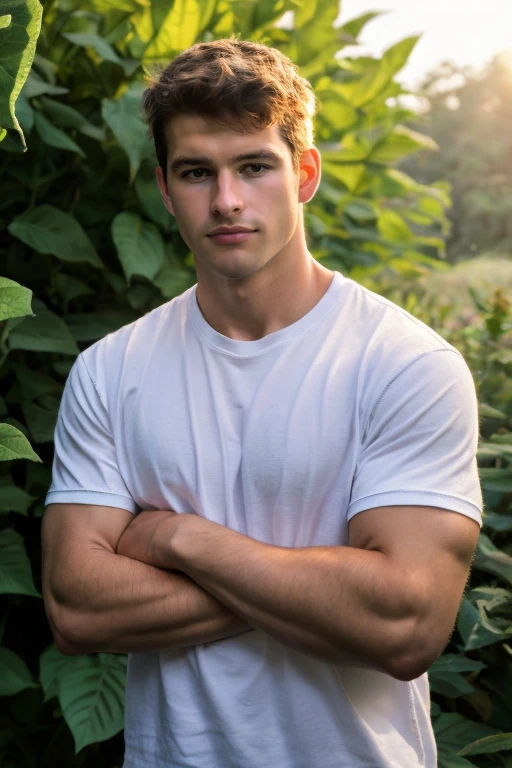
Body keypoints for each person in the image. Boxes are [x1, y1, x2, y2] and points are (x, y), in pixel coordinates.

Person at [42, 38, 482, 768]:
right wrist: (328, 587)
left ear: (304, 173)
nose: (226, 201)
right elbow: (77, 607)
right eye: (195, 173)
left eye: (254, 166)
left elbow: (406, 625)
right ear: (163, 186)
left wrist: (181, 542)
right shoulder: (110, 370)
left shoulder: (405, 364)